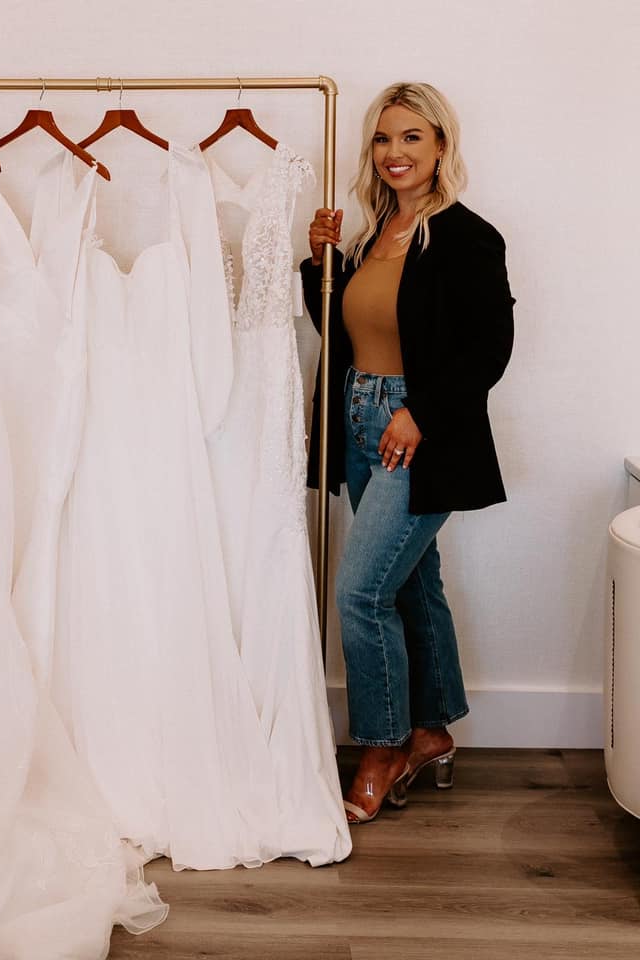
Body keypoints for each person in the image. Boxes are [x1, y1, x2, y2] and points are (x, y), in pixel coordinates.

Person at [300, 82, 514, 823]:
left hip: (417, 428)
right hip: (359, 414)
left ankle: (383, 746)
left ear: (441, 145)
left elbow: (490, 347)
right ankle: (431, 730)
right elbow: (345, 330)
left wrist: (419, 413)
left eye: (412, 137)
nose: (395, 152)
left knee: (361, 593)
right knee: (414, 583)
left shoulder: (466, 236)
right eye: (384, 138)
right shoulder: (372, 236)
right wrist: (320, 265)